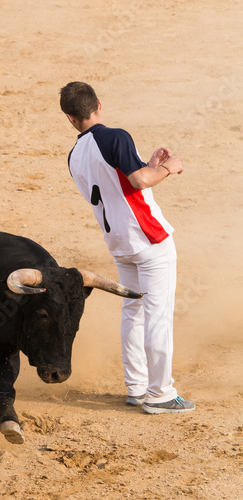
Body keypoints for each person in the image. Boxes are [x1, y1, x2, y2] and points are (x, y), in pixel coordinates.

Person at [59, 81, 195, 414]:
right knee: (157, 316)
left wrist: (146, 164)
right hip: (149, 238)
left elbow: (116, 184)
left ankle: (136, 387)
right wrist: (167, 167)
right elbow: (138, 182)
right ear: (99, 104)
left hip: (119, 243)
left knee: (133, 312)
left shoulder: (74, 156)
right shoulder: (115, 137)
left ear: (69, 117)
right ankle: (160, 393)